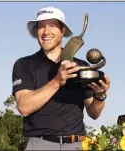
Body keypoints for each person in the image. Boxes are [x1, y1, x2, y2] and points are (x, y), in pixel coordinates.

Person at [11, 6, 110, 150]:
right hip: (40, 144)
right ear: (36, 31)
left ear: (63, 30)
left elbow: (94, 113)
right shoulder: (24, 64)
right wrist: (57, 81)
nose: (46, 32)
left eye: (52, 26)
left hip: (76, 145)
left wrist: (100, 96)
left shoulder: (81, 66)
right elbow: (24, 107)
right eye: (41, 27)